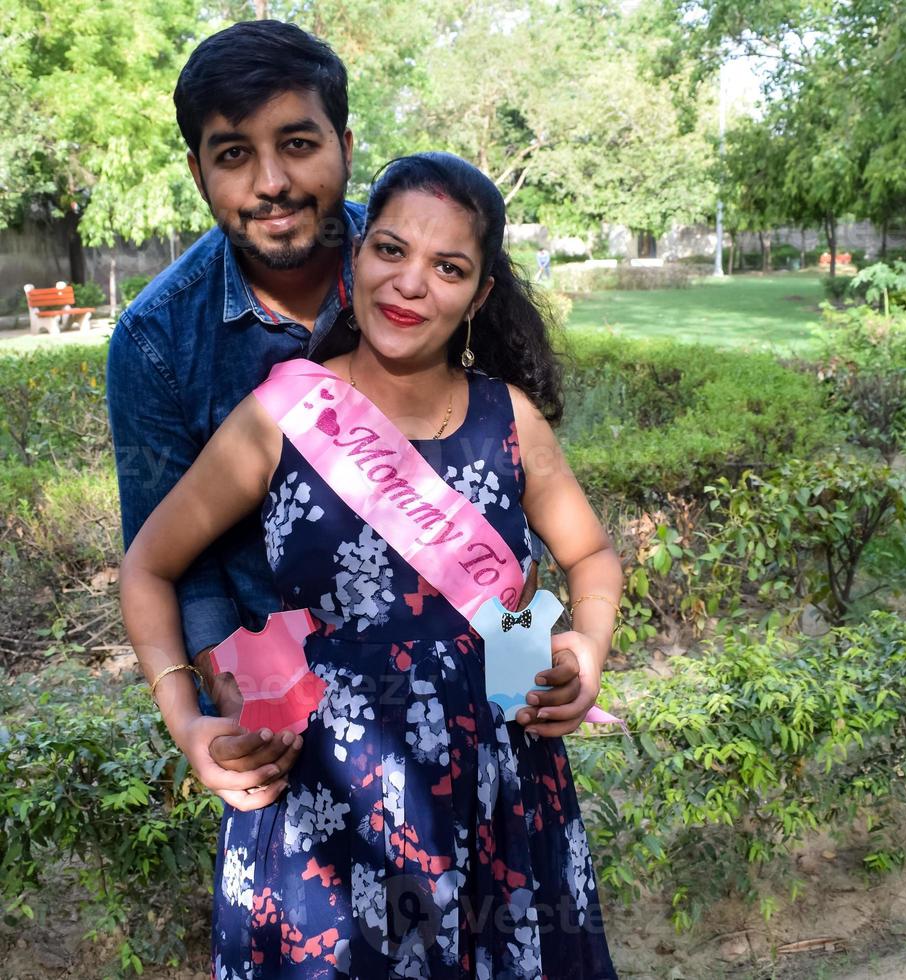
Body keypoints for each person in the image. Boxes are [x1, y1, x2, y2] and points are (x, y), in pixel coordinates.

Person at [120, 152, 622, 977]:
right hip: (324, 801)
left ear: (479, 295)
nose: (410, 284)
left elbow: (591, 555)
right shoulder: (282, 414)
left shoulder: (510, 418)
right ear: (354, 259)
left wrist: (587, 647)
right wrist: (186, 723)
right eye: (390, 250)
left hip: (497, 787)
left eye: (448, 267)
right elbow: (147, 566)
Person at [107, 21, 364, 810]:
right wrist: (209, 717)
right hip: (287, 735)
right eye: (233, 156)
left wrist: (537, 648)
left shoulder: (431, 279)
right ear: (197, 173)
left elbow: (508, 476)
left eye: (297, 143)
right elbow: (172, 559)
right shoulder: (155, 342)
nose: (271, 183)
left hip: (465, 697)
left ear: (345, 146)